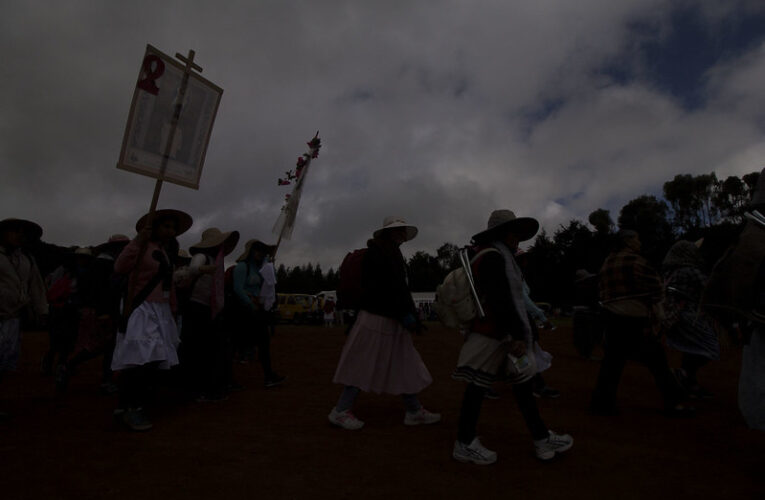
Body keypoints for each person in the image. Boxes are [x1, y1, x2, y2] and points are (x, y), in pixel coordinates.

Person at [452, 210, 572, 464]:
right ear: (503, 234)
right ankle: (464, 442)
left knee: (520, 384)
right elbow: (501, 300)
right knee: (480, 388)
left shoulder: (487, 255)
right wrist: (516, 334)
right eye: (514, 233)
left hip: (491, 332)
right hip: (494, 334)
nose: (518, 239)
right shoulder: (496, 258)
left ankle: (541, 438)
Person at [329, 216, 440, 430]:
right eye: (398, 230)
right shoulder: (381, 254)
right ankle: (341, 410)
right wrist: (405, 314)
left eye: (403, 230)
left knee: (403, 362)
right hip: (377, 318)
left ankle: (414, 409)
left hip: (388, 318)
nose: (402, 233)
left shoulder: (389, 252)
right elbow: (388, 289)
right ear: (389, 233)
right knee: (362, 363)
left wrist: (408, 315)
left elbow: (396, 289)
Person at [591, 230, 691, 417]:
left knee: (612, 363)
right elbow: (657, 290)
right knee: (657, 361)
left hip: (612, 319)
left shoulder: (606, 262)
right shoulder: (637, 262)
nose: (639, 242)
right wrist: (659, 318)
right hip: (634, 319)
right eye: (637, 238)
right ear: (628, 241)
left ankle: (601, 403)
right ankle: (674, 403)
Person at [111, 208, 192, 431]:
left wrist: (173, 308)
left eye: (172, 227)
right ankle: (129, 407)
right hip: (140, 307)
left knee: (152, 360)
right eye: (166, 226)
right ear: (155, 227)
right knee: (139, 358)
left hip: (160, 310)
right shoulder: (140, 246)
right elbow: (119, 267)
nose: (170, 231)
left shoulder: (164, 252)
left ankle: (130, 404)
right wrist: (138, 240)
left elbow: (167, 283)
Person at [61, 235, 130, 394]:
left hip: (99, 310)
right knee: (102, 346)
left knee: (104, 346)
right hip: (101, 311)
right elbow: (100, 291)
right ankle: (73, 366)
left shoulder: (102, 264)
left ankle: (74, 367)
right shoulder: (105, 265)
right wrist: (103, 312)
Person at [182, 227, 239, 402]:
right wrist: (205, 269)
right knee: (197, 349)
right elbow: (193, 269)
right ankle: (196, 389)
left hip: (208, 309)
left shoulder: (215, 260)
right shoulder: (203, 257)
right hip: (196, 307)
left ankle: (207, 387)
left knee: (207, 349)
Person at [0, 218, 47, 419]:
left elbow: (36, 286)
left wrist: (42, 311)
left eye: (22, 232)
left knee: (6, 362)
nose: (19, 235)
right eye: (14, 231)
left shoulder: (26, 259)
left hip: (13, 318)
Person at [661, 240, 719, 399]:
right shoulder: (691, 271)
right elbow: (709, 288)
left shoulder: (670, 272)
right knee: (710, 348)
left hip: (673, 315)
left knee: (690, 347)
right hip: (690, 315)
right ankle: (684, 374)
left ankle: (689, 382)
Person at [230, 239, 285, 388]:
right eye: (258, 250)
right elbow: (237, 288)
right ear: (251, 251)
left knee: (263, 342)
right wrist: (250, 304)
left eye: (263, 251)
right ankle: (227, 378)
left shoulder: (262, 269)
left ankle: (268, 375)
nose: (261, 253)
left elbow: (270, 283)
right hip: (242, 310)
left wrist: (269, 265)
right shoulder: (242, 267)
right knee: (235, 344)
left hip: (257, 310)